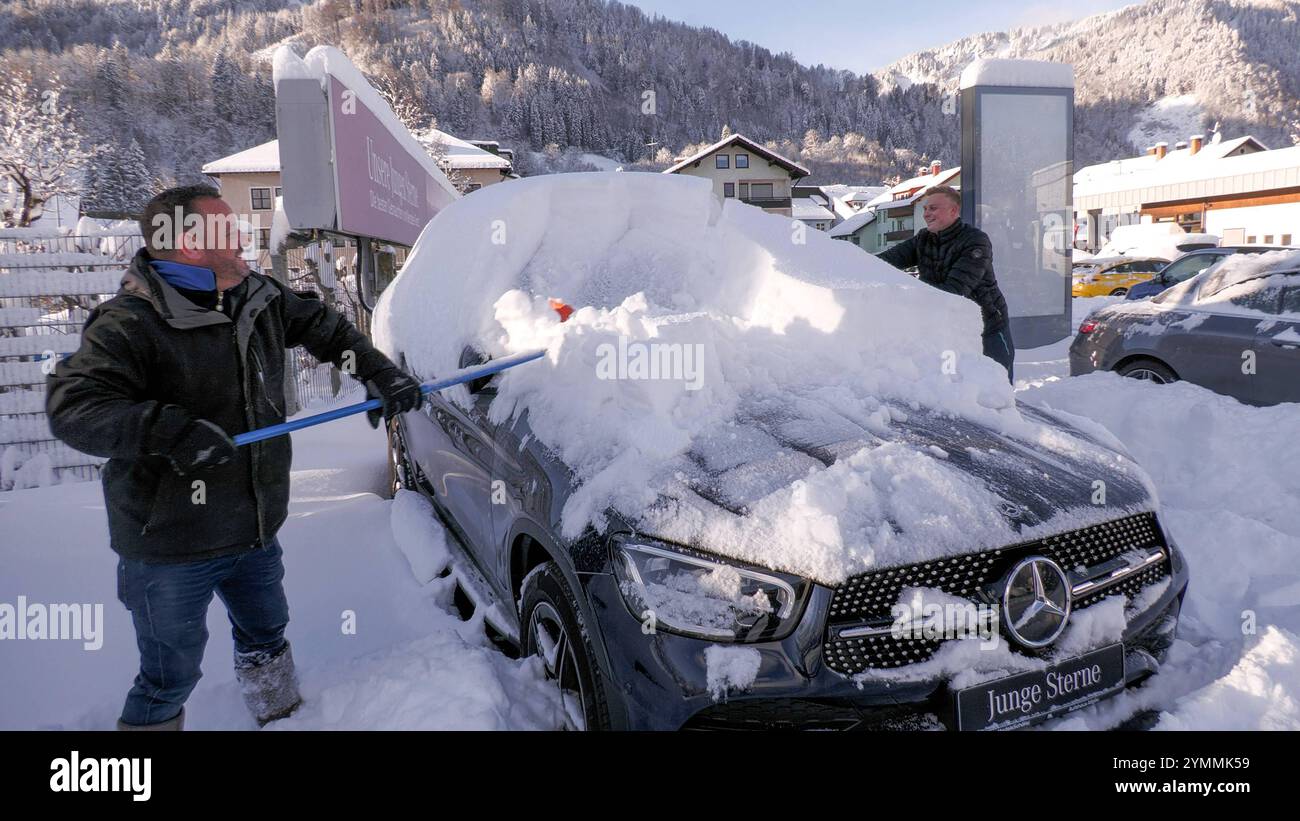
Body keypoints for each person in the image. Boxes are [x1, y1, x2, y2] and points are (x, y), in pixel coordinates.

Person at [46, 185, 422, 729]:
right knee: (168, 677)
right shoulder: (128, 322)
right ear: (190, 241)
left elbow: (323, 329)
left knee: (267, 638)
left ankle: (281, 717)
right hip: (170, 544)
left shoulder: (256, 296)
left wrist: (378, 372)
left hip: (254, 526)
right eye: (227, 226)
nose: (242, 235)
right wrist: (168, 431)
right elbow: (73, 405)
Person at [876, 185, 1015, 381]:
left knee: (997, 389)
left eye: (933, 208)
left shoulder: (975, 241)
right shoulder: (923, 239)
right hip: (948, 330)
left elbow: (953, 292)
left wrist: (904, 294)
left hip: (989, 328)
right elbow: (882, 262)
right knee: (950, 385)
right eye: (925, 209)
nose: (926, 214)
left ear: (954, 211)